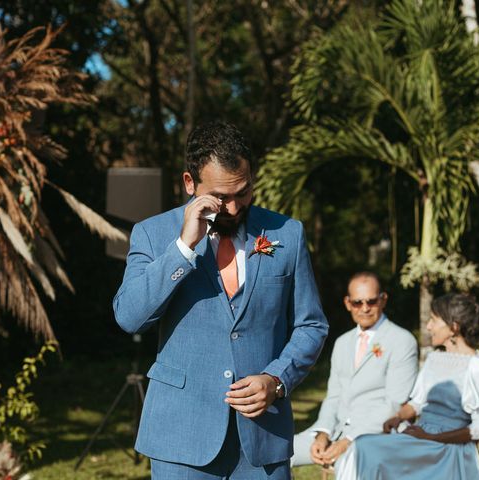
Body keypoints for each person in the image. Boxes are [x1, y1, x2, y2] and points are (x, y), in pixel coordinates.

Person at [113, 121, 328, 479]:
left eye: (242, 193)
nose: (231, 207)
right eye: (219, 197)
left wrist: (276, 381)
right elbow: (130, 317)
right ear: (189, 184)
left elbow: (311, 325)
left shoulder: (287, 233)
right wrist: (183, 248)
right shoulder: (152, 234)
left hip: (263, 440)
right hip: (179, 438)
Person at [335, 293, 479, 480]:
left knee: (366, 448)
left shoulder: (478, 367)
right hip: (420, 438)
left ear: (453, 327)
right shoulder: (434, 359)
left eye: (433, 320)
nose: (428, 326)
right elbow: (417, 403)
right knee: (361, 446)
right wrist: (398, 417)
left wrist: (431, 438)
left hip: (446, 448)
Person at [291, 272, 418, 468]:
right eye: (358, 303)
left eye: (372, 301)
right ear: (348, 303)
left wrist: (347, 440)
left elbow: (394, 404)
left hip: (376, 433)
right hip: (335, 430)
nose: (365, 308)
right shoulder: (342, 342)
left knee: (348, 463)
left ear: (383, 300)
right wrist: (323, 433)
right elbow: (333, 396)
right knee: (282, 453)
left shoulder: (402, 341)